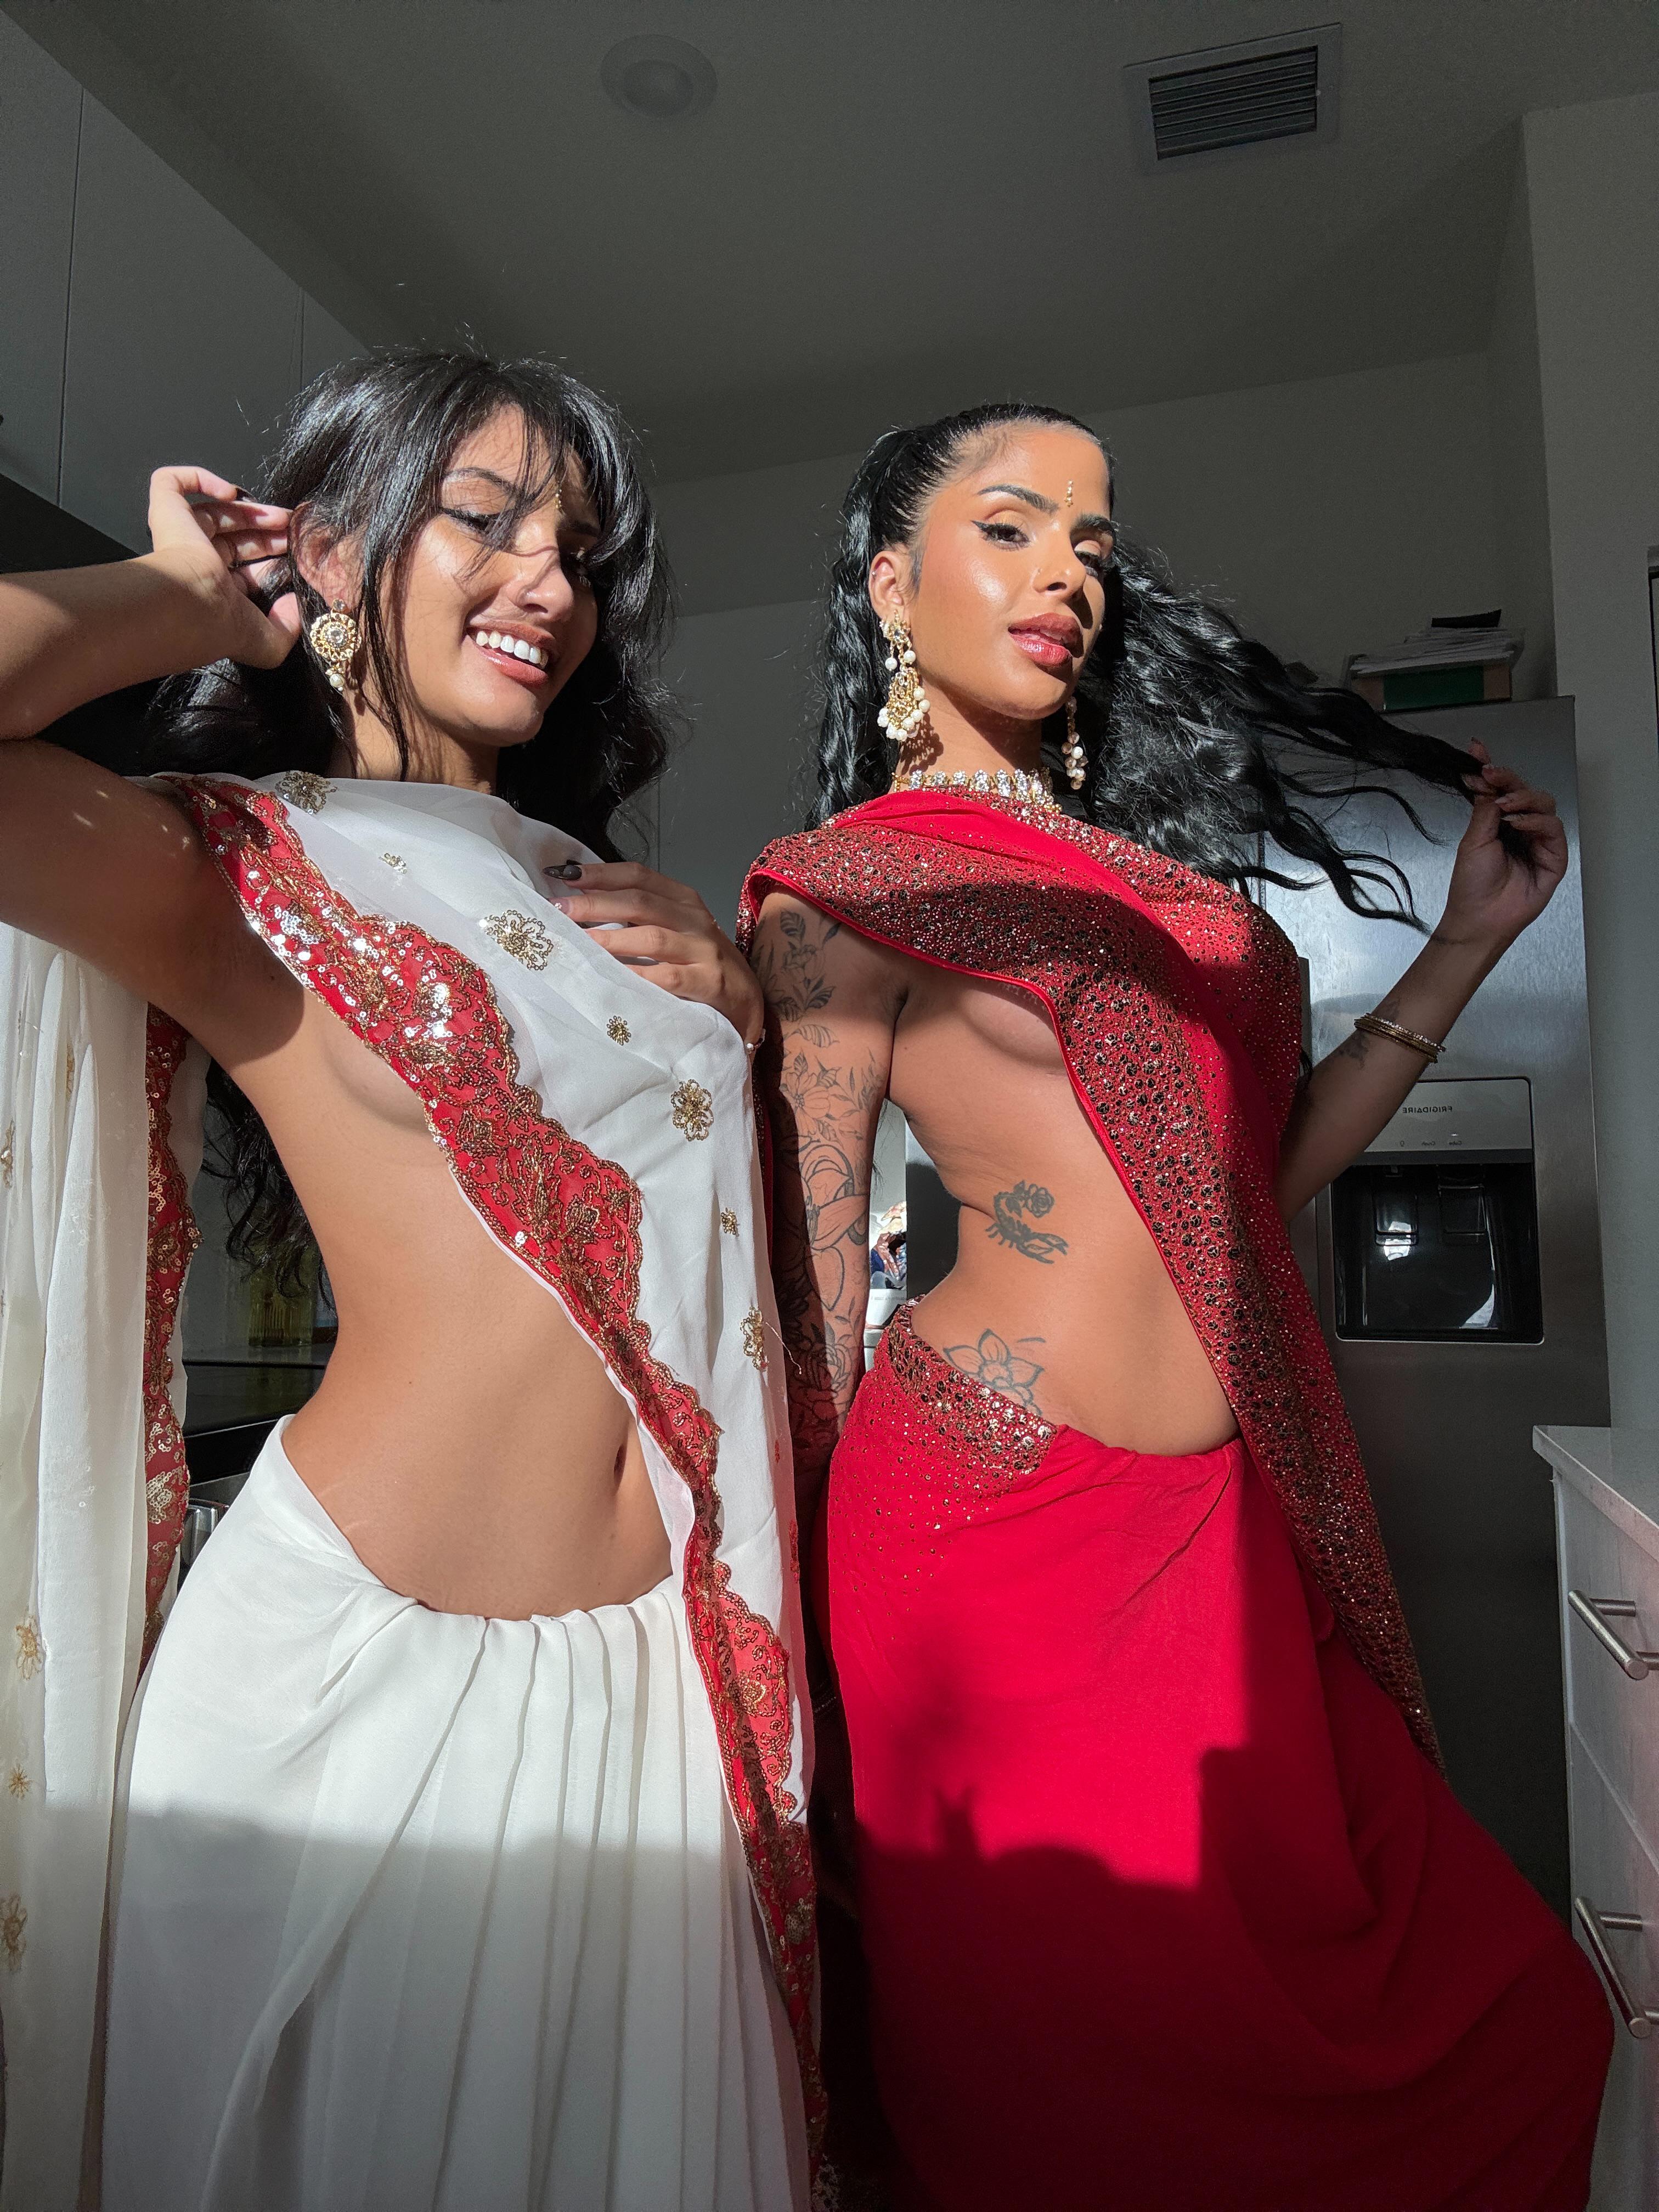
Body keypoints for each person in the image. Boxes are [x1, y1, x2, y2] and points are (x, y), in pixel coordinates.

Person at [738, 402, 1611, 2211]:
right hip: (982, 1547)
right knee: (1067, 2101)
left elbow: (1236, 1199)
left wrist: (1466, 946)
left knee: (1511, 2018)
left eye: (1093, 540)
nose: (1066, 571)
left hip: (1226, 1530)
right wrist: (778, 1647)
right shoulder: (840, 890)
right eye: (1010, 527)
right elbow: (806, 1296)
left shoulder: (1159, 884)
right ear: (892, 586)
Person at [0, 349, 816, 2210]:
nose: (551, 583)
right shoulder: (236, 866)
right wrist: (180, 602)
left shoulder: (602, 899)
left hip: (653, 1685)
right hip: (358, 1696)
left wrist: (747, 1012)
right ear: (337, 541)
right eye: (487, 519)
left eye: (581, 551)